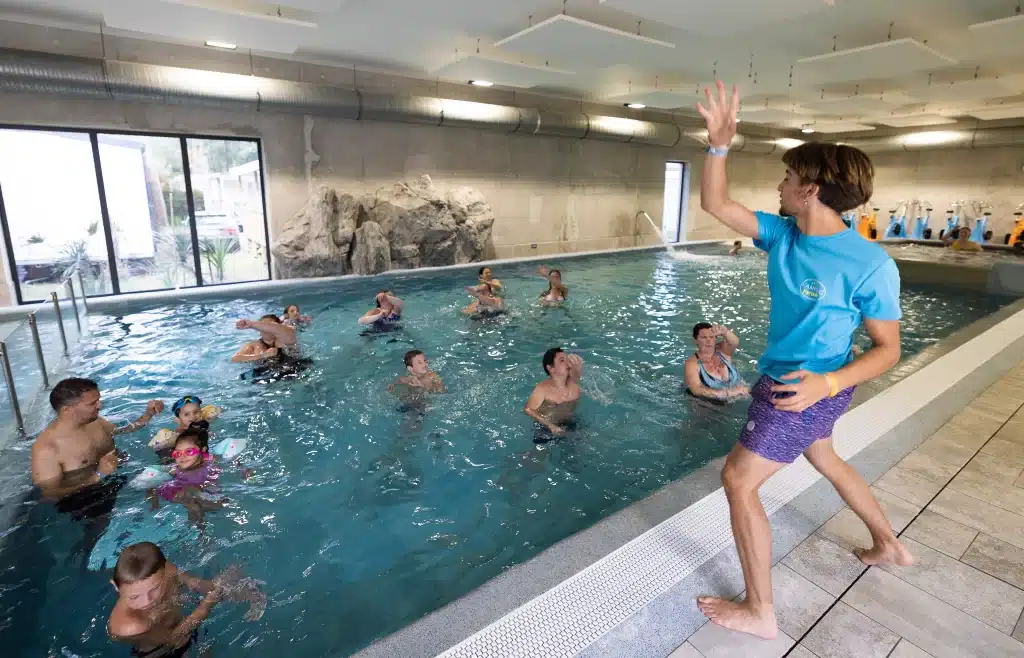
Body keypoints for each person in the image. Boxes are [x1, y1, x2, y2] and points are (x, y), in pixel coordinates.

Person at [693, 81, 911, 639]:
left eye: (788, 177)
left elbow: (889, 349)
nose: (780, 185)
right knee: (826, 457)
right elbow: (716, 204)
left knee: (738, 480)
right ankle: (889, 544)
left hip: (801, 389)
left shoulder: (870, 263)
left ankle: (761, 611)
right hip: (807, 387)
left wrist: (827, 383)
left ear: (810, 189)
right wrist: (718, 145)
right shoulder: (783, 235)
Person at [31, 378, 163, 550]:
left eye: (98, 400)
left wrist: (148, 415)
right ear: (68, 410)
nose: (100, 405)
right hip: (87, 497)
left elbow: (121, 431)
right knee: (99, 538)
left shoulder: (94, 421)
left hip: (116, 475)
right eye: (92, 403)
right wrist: (97, 476)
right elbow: (50, 493)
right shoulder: (47, 448)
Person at [108, 542, 265, 658]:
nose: (147, 601)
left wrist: (225, 588)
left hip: (188, 627)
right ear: (115, 586)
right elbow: (174, 638)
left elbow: (192, 583)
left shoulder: (162, 569)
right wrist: (207, 604)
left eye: (155, 589)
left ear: (163, 571)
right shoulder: (129, 625)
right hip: (163, 651)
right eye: (134, 597)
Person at [149, 430, 224, 526]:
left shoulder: (209, 464)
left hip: (207, 497)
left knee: (196, 494)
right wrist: (154, 502)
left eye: (189, 451)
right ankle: (197, 525)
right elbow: (154, 484)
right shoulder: (175, 469)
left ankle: (197, 520)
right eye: (177, 453)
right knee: (189, 492)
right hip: (181, 495)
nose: (182, 456)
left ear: (202, 450)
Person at [524, 347, 583, 442]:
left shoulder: (573, 382)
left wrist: (577, 363)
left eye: (567, 359)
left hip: (569, 421)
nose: (567, 362)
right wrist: (550, 425)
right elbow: (528, 410)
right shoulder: (542, 389)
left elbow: (577, 369)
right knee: (540, 450)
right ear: (551, 368)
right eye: (562, 360)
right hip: (547, 427)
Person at [684, 323, 749, 403]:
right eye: (704, 337)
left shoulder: (723, 351)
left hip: (740, 396)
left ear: (715, 338)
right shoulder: (692, 363)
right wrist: (729, 393)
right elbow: (696, 390)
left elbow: (734, 342)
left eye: (711, 337)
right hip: (711, 405)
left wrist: (725, 332)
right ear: (695, 340)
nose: (708, 341)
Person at [232, 314, 298, 363]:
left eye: (268, 326)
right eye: (262, 326)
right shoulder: (254, 345)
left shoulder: (284, 339)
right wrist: (262, 355)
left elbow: (285, 331)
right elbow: (235, 359)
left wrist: (251, 324)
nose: (265, 329)